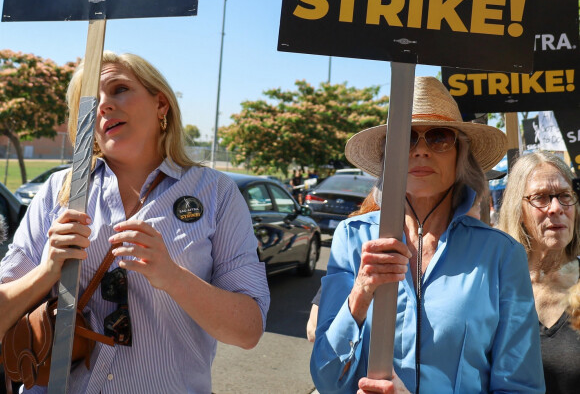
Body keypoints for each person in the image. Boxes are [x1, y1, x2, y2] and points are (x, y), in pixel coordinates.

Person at [0, 52, 270, 393]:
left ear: (161, 104)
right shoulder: (58, 191)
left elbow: (247, 331)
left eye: (120, 89)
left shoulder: (217, 193)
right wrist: (46, 272)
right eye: (91, 100)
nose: (104, 106)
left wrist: (171, 276)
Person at [311, 76, 544, 394]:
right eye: (406, 138)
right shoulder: (352, 238)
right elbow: (327, 380)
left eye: (439, 138)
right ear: (388, 156)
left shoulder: (501, 254)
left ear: (460, 154)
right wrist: (361, 292)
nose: (421, 150)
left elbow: (521, 387)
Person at [498, 152, 580, 394]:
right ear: (518, 210)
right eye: (540, 198)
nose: (556, 208)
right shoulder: (494, 286)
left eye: (565, 196)